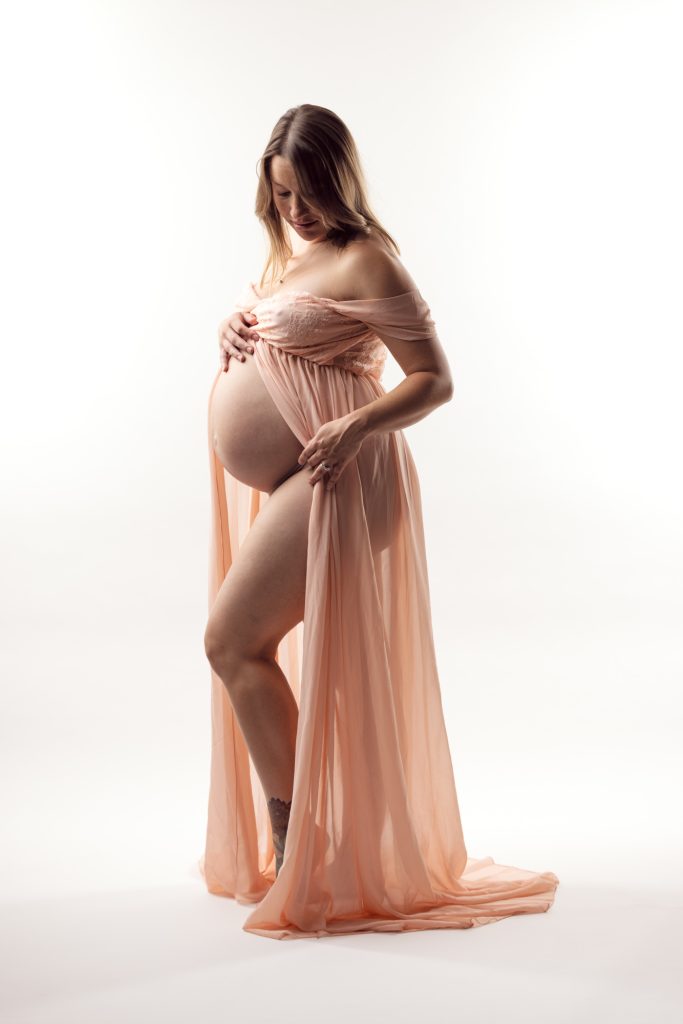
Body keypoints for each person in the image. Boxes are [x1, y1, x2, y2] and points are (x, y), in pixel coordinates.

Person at [199, 104, 559, 940]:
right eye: (280, 193)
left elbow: (434, 378)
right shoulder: (297, 256)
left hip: (344, 477)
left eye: (307, 191)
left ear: (339, 179)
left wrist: (356, 425)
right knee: (235, 644)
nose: (293, 208)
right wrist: (234, 321)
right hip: (302, 476)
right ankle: (299, 844)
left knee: (230, 640)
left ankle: (303, 853)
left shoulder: (369, 260)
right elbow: (289, 337)